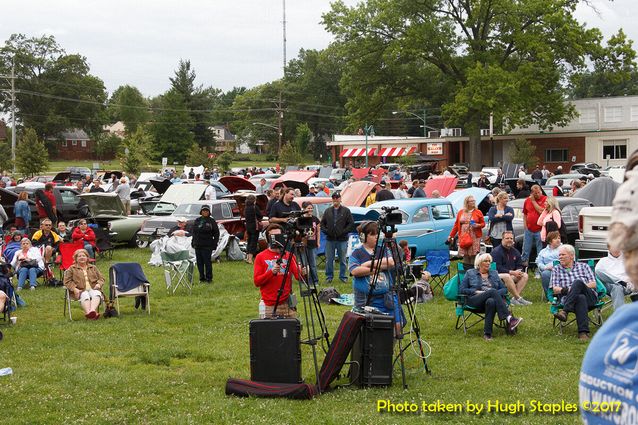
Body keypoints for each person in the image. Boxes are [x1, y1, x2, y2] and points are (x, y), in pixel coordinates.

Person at [349, 221, 402, 336]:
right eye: (372, 234)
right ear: (363, 236)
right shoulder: (357, 253)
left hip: (387, 297)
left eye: (377, 233)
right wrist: (378, 268)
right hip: (367, 300)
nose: (376, 236)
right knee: (372, 330)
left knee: (398, 326)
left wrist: (367, 264)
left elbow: (391, 262)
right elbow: (354, 271)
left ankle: (389, 350)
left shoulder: (381, 249)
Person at [459, 253, 523, 340]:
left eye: (489, 261)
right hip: (474, 300)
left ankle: (487, 334)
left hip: (490, 300)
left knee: (491, 301)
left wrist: (494, 293)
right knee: (492, 291)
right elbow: (462, 289)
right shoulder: (470, 273)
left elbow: (504, 289)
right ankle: (509, 318)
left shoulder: (494, 273)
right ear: (479, 263)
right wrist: (476, 291)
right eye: (486, 261)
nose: (488, 263)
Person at [550, 244, 598, 341]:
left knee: (578, 283)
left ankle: (565, 312)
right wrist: (570, 290)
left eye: (563, 255)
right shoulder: (556, 269)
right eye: (559, 255)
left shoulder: (584, 266)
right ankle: (583, 333)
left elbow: (593, 284)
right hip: (571, 299)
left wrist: (578, 287)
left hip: (590, 298)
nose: (560, 257)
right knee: (580, 298)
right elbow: (555, 289)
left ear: (572, 256)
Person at [254, 224, 300, 318]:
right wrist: (271, 272)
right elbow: (257, 281)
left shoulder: (289, 256)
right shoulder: (260, 257)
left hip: (288, 304)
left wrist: (304, 272)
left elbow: (298, 276)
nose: (276, 239)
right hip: (270, 305)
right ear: (268, 239)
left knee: (293, 331)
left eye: (278, 236)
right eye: (273, 237)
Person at [321, 192, 355, 284]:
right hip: (330, 239)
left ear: (340, 199)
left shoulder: (346, 210)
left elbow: (351, 224)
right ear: (332, 199)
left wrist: (343, 232)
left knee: (343, 259)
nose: (335, 199)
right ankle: (329, 277)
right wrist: (327, 231)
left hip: (342, 239)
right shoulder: (327, 211)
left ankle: (343, 276)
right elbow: (322, 223)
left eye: (337, 197)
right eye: (334, 198)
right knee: (329, 259)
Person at [491, 231, 532, 305]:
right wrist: (512, 272)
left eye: (511, 238)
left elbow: (520, 265)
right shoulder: (496, 252)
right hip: (498, 276)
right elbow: (497, 267)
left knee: (525, 275)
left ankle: (514, 299)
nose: (509, 240)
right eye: (507, 238)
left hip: (512, 275)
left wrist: (519, 271)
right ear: (502, 239)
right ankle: (518, 298)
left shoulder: (515, 252)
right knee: (507, 276)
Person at [63, 249, 105, 320]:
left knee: (97, 293)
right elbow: (67, 281)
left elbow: (102, 278)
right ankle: (92, 314)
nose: (82, 257)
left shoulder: (93, 267)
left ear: (87, 258)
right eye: (79, 256)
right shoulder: (72, 268)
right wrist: (74, 289)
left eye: (84, 256)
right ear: (76, 258)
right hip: (80, 290)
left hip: (93, 288)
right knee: (85, 295)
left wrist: (99, 284)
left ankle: (91, 311)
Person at [448, 195, 485, 268]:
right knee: (465, 253)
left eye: (474, 201)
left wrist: (477, 225)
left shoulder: (478, 212)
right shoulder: (461, 212)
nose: (473, 202)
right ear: (467, 203)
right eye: (471, 201)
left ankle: (473, 270)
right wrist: (451, 235)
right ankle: (465, 271)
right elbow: (456, 225)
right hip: (463, 235)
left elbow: (483, 223)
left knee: (473, 254)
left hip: (474, 236)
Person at [595, 245, 636, 311]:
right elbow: (598, 274)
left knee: (617, 288)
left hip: (628, 286)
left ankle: (620, 318)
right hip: (609, 286)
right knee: (597, 270)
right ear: (609, 248)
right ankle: (621, 282)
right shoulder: (603, 261)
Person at [191, 205, 219, 283]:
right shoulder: (197, 220)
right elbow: (194, 232)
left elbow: (216, 233)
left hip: (207, 245)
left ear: (209, 212)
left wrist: (214, 243)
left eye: (206, 211)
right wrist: (193, 242)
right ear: (201, 212)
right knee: (199, 263)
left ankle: (209, 278)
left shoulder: (211, 221)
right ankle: (201, 278)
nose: (205, 212)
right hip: (198, 244)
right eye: (203, 211)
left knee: (207, 262)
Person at [521, 184, 546, 265]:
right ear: (532, 193)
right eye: (535, 193)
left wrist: (533, 201)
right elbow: (525, 213)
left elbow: (541, 211)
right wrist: (525, 225)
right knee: (526, 249)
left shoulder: (545, 199)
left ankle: (539, 267)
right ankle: (524, 266)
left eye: (539, 192)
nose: (538, 194)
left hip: (540, 229)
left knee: (540, 249)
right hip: (529, 229)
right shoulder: (527, 201)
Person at [536, 231, 562, 300]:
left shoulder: (564, 249)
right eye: (555, 238)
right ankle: (550, 297)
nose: (558, 240)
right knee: (545, 274)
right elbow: (539, 263)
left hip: (562, 270)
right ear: (550, 241)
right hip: (548, 270)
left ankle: (561, 296)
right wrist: (545, 267)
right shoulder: (543, 252)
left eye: (559, 238)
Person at [301, 201, 321, 285]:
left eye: (311, 208)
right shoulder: (301, 219)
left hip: (312, 244)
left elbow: (318, 232)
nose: (310, 209)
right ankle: (305, 280)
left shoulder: (315, 219)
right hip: (303, 244)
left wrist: (318, 242)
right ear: (304, 209)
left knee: (313, 264)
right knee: (304, 263)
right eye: (308, 208)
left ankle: (315, 280)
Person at [244, 195, 263, 265]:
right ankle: (250, 259)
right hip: (255, 227)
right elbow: (260, 215)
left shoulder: (246, 208)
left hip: (248, 227)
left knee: (249, 242)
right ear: (254, 200)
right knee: (253, 243)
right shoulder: (255, 207)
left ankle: (247, 257)